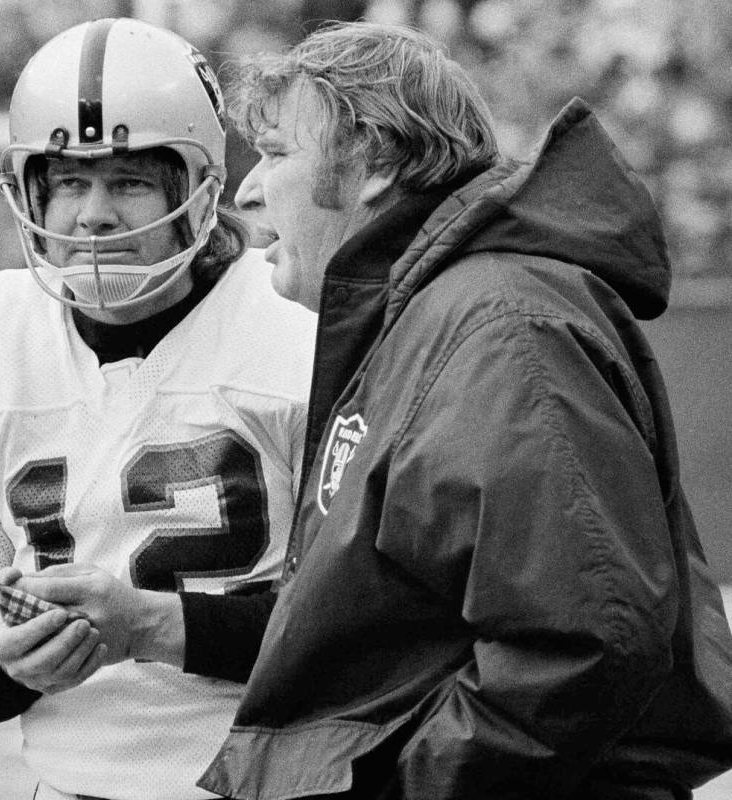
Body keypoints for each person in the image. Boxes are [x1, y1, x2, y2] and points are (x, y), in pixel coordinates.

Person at [194, 21, 732, 800]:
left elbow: (583, 638)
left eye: (276, 154)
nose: (247, 188)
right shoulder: (433, 317)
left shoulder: (499, 323)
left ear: (375, 159)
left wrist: (404, 789)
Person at [0, 18, 315, 800]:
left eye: (128, 180)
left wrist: (150, 625)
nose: (93, 215)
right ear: (27, 191)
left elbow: (368, 633)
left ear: (199, 187)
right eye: (68, 182)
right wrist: (9, 659)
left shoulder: (299, 323)